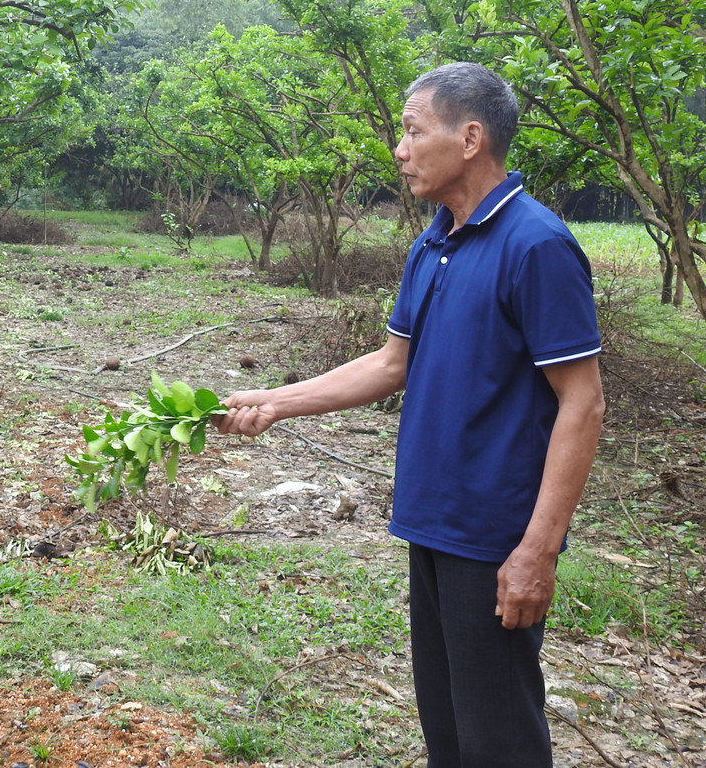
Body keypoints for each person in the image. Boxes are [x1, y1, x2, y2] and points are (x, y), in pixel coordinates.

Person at [215, 62, 604, 768]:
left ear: (470, 137)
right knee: (450, 733)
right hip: (432, 520)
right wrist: (271, 402)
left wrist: (538, 550)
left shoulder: (535, 244)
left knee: (500, 740)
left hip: (493, 535)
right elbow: (391, 363)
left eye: (412, 130)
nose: (398, 148)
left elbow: (585, 399)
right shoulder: (436, 240)